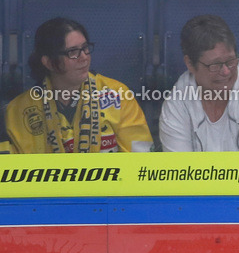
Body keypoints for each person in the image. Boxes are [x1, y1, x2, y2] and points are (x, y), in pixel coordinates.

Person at [5, 17, 152, 154]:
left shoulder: (117, 94)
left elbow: (142, 160)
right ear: (48, 62)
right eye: (73, 52)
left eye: (85, 48)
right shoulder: (19, 110)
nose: (84, 57)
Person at [159, 14, 239, 152]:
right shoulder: (176, 104)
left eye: (230, 61)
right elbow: (179, 170)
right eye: (215, 65)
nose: (226, 71)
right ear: (190, 64)